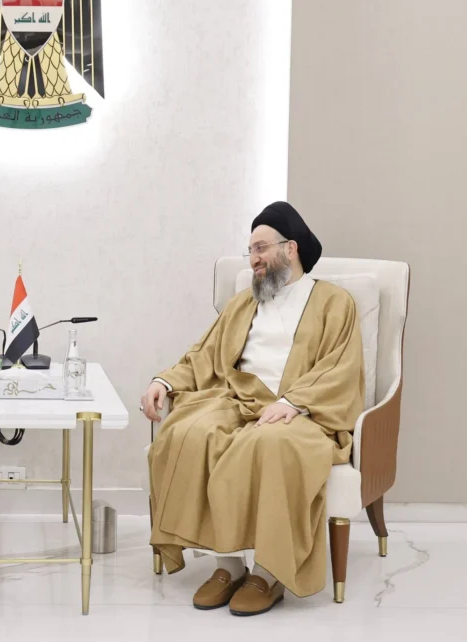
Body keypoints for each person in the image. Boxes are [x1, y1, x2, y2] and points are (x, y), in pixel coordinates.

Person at [141, 202, 363, 616]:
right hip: (237, 399)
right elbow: (204, 356)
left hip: (303, 411)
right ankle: (226, 565)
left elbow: (342, 369)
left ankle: (268, 573)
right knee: (188, 433)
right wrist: (164, 382)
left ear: (290, 248)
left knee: (270, 445)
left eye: (261, 248)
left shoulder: (335, 302)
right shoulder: (243, 303)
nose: (253, 259)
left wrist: (293, 403)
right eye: (250, 251)